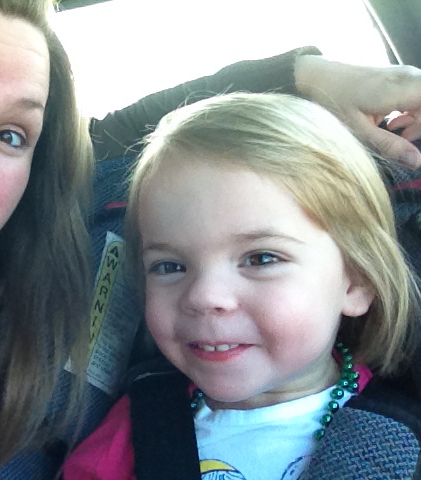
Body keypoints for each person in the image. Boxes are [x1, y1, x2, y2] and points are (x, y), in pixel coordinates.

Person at [0, 0, 421, 478]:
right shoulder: (140, 426)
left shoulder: (31, 237)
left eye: (12, 134)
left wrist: (302, 73)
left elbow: (117, 145)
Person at [63, 93, 421, 479]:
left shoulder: (398, 436)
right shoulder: (138, 428)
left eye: (261, 259)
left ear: (357, 281)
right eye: (170, 266)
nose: (204, 296)